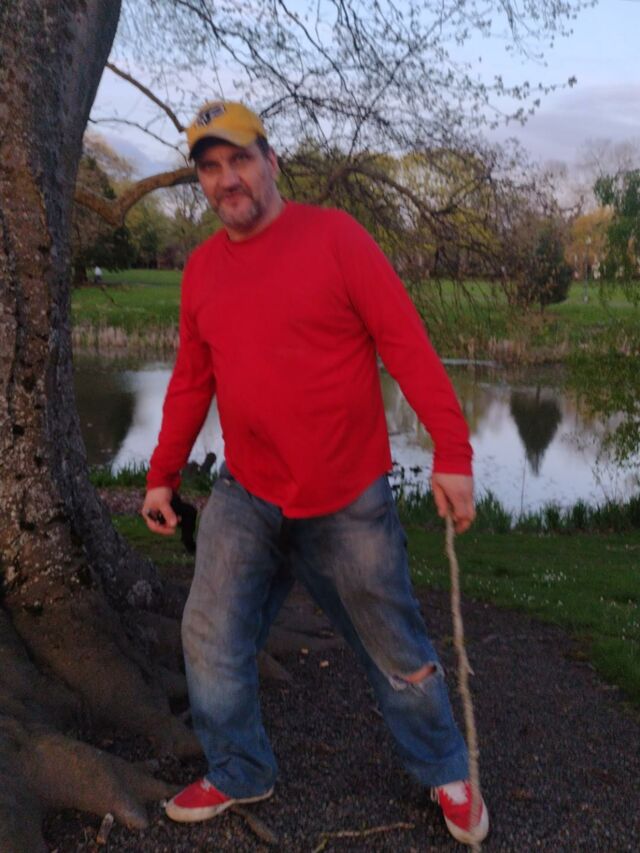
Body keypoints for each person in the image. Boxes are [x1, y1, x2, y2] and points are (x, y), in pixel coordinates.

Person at [142, 100, 489, 846]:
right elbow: (192, 379)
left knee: (396, 648)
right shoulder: (202, 270)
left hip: (346, 500)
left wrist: (453, 454)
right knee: (208, 635)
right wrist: (162, 474)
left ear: (271, 162)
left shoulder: (336, 238)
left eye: (239, 159)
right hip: (247, 493)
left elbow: (405, 343)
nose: (227, 179)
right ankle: (240, 768)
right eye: (210, 167)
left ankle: (445, 769)